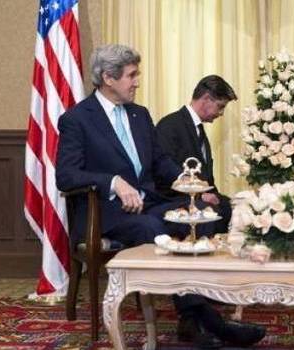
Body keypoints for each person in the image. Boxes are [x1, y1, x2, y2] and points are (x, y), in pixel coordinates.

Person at [56, 44, 265, 349]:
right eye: (131, 75)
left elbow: (160, 162)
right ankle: (213, 323)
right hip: (105, 213)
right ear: (108, 78)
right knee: (151, 229)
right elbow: (66, 175)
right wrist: (113, 182)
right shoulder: (77, 118)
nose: (137, 81)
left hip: (147, 205)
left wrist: (188, 181)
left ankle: (191, 321)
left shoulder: (140, 115)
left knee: (201, 219)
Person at [156, 75, 236, 235]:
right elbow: (164, 171)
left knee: (235, 207)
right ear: (206, 99)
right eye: (220, 106)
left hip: (200, 196)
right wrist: (198, 194)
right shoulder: (170, 125)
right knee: (206, 210)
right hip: (176, 199)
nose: (221, 113)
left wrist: (210, 194)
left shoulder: (198, 129)